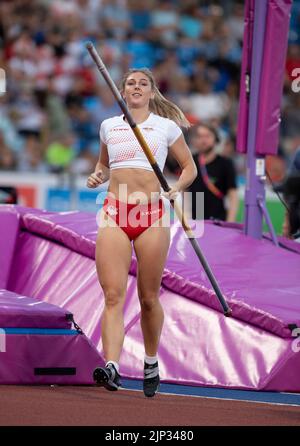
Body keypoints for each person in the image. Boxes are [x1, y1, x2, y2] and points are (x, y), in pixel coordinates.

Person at [86, 68, 197, 397]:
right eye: (130, 83)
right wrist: (97, 176)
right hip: (114, 212)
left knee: (148, 298)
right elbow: (104, 166)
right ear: (122, 91)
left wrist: (177, 188)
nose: (136, 87)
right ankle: (112, 366)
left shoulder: (166, 127)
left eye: (142, 83)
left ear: (151, 92)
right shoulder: (109, 126)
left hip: (151, 214)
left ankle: (150, 361)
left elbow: (189, 167)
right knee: (112, 295)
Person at [188, 123, 239, 222]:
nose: (203, 140)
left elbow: (233, 195)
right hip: (196, 220)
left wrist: (229, 222)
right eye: (199, 136)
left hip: (217, 220)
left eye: (207, 136)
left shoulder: (225, 163)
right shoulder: (190, 161)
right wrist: (185, 218)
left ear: (215, 139)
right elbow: (184, 190)